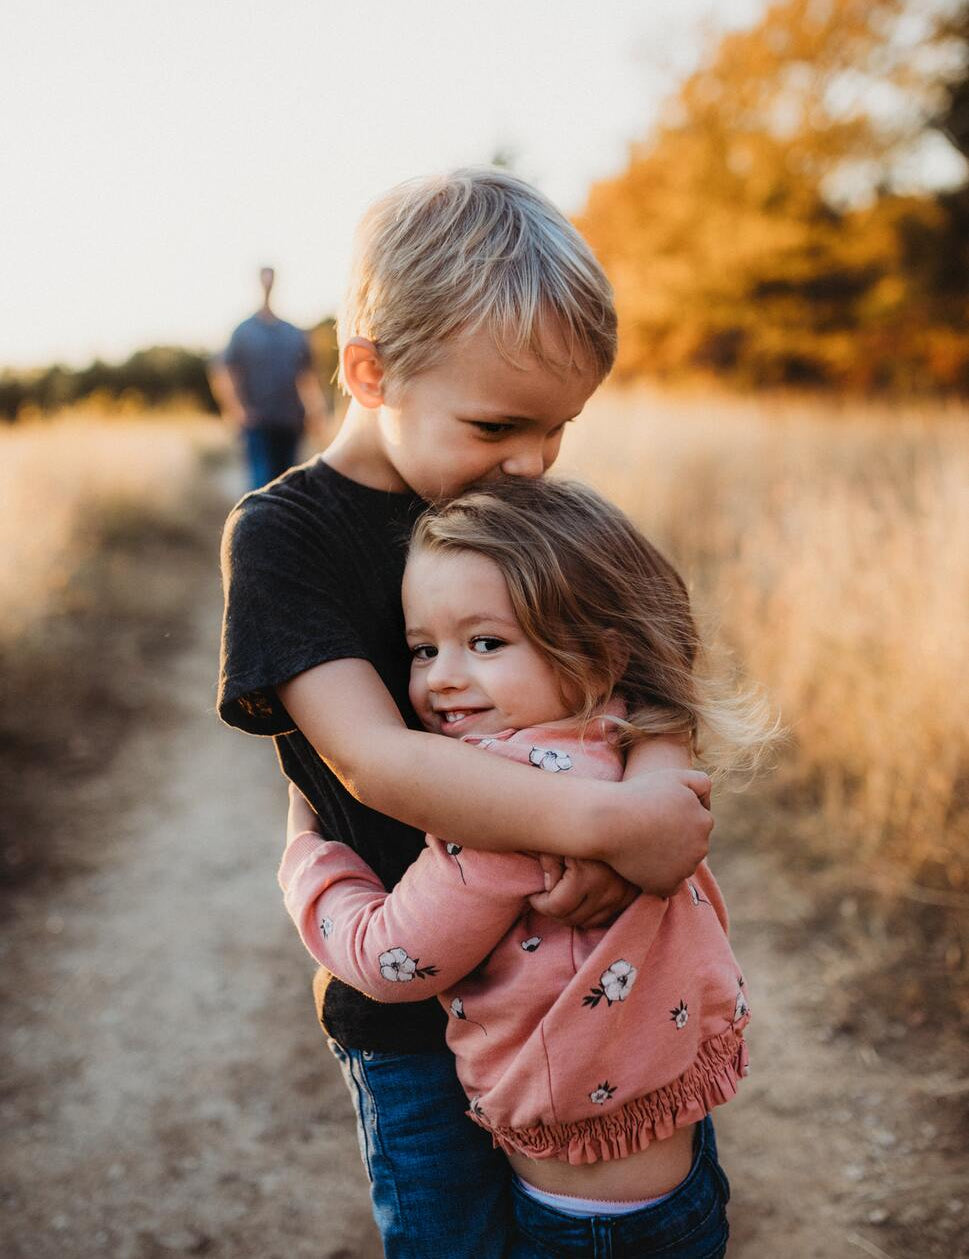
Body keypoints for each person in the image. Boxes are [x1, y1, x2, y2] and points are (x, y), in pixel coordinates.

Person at [218, 169, 716, 1258]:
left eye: (559, 428)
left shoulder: (519, 508)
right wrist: (600, 825)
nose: (532, 461)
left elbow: (652, 642)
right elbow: (377, 759)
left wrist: (655, 781)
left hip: (598, 979)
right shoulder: (287, 537)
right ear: (368, 370)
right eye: (500, 423)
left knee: (635, 1226)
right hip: (413, 1020)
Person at [280, 477, 773, 1259]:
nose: (441, 676)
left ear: (596, 647)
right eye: (422, 648)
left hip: (581, 1223)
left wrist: (308, 858)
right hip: (678, 1180)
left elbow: (389, 958)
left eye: (484, 643)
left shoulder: (504, 811)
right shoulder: (621, 746)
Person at [209, 266, 328, 488]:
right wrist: (237, 410)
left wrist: (316, 412)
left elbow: (307, 376)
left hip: (290, 420)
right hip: (258, 423)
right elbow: (224, 371)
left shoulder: (292, 333)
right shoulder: (243, 331)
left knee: (286, 485)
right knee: (262, 485)